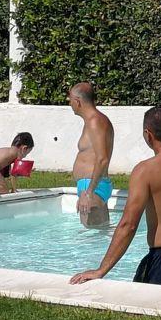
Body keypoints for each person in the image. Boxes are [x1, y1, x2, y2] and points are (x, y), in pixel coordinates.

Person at [69, 106, 161, 289]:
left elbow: (128, 225)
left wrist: (101, 270)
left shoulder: (145, 170)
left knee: (149, 306)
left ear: (148, 134)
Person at [68, 83, 115, 230]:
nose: (70, 104)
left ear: (78, 101)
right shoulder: (93, 121)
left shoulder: (95, 122)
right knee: (99, 234)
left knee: (91, 238)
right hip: (92, 186)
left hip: (92, 188)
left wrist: (88, 192)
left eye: (70, 100)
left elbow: (102, 159)